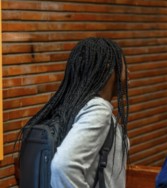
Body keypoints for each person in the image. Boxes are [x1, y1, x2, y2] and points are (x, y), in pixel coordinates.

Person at [21, 37, 129, 187]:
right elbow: (64, 167)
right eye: (124, 66)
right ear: (109, 69)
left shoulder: (74, 107)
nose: (127, 73)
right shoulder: (98, 110)